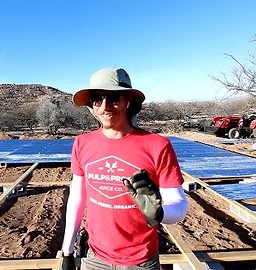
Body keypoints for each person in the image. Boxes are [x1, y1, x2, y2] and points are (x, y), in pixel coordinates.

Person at [61, 67, 189, 270]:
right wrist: (67, 250)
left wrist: (158, 214)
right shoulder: (81, 144)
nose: (105, 107)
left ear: (128, 101)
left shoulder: (157, 145)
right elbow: (77, 198)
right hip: (94, 258)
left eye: (113, 99)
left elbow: (180, 206)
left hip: (140, 262)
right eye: (97, 99)